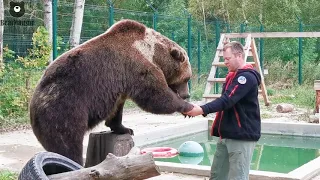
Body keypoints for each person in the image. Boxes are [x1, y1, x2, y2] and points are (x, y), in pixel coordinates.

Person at [184, 41, 261, 180]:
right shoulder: (232, 76)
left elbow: (227, 100)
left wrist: (201, 109)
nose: (225, 62)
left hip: (241, 136)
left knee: (238, 177)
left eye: (227, 58)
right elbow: (225, 102)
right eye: (224, 59)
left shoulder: (246, 78)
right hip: (227, 135)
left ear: (239, 55)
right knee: (217, 175)